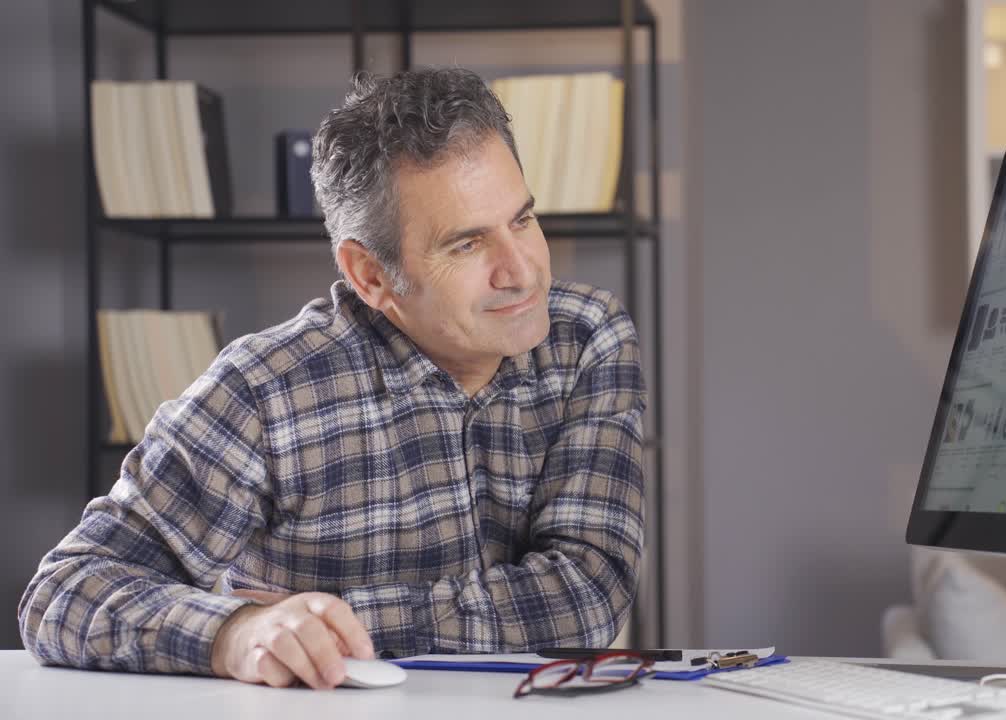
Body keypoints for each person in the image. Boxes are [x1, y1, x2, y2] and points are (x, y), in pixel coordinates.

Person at [19, 67, 647, 690]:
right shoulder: (266, 388)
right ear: (370, 275)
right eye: (466, 245)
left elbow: (588, 593)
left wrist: (315, 620)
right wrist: (235, 634)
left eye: (523, 219)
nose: (521, 270)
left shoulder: (588, 336)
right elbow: (63, 593)